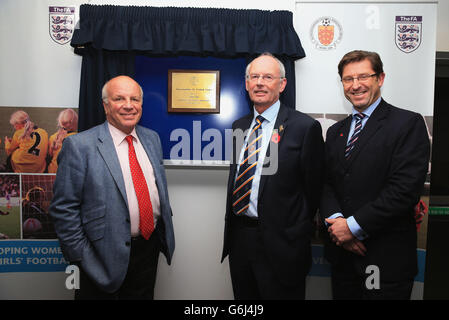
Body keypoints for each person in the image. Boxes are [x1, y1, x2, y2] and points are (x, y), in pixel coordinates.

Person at [49, 75, 175, 300]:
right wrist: (81, 257)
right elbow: (63, 209)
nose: (129, 105)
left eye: (134, 99)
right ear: (106, 106)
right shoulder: (79, 146)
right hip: (100, 257)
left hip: (148, 249)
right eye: (119, 99)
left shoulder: (152, 139)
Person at [320, 50, 430, 300]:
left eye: (363, 76)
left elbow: (404, 191)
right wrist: (339, 226)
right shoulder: (336, 131)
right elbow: (327, 184)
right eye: (348, 79)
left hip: (385, 261)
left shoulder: (407, 124)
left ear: (380, 78)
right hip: (343, 259)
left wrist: (352, 227)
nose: (355, 85)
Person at [221, 53, 324, 299]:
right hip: (241, 240)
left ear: (282, 84)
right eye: (254, 77)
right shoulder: (239, 126)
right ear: (246, 84)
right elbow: (238, 178)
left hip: (283, 245)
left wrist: (294, 229)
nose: (259, 82)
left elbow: (314, 189)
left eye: (268, 77)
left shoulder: (304, 127)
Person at [47, 108, 78, 173]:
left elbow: (49, 157)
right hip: (67, 174)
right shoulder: (77, 138)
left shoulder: (53, 137)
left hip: (52, 172)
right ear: (75, 122)